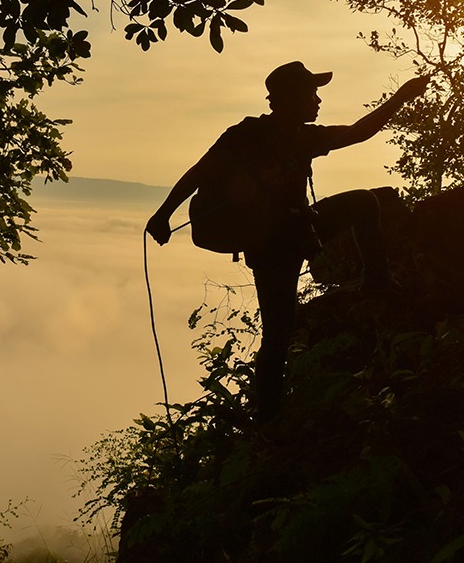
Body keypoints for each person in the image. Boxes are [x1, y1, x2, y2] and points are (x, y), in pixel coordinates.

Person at [145, 61, 430, 418]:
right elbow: (201, 173)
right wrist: (162, 213)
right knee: (278, 334)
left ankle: (376, 281)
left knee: (363, 203)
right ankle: (267, 416)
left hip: (290, 235)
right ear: (292, 98)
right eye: (312, 94)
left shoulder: (289, 135)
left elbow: (361, 131)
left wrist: (164, 215)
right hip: (273, 246)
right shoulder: (255, 135)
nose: (318, 101)